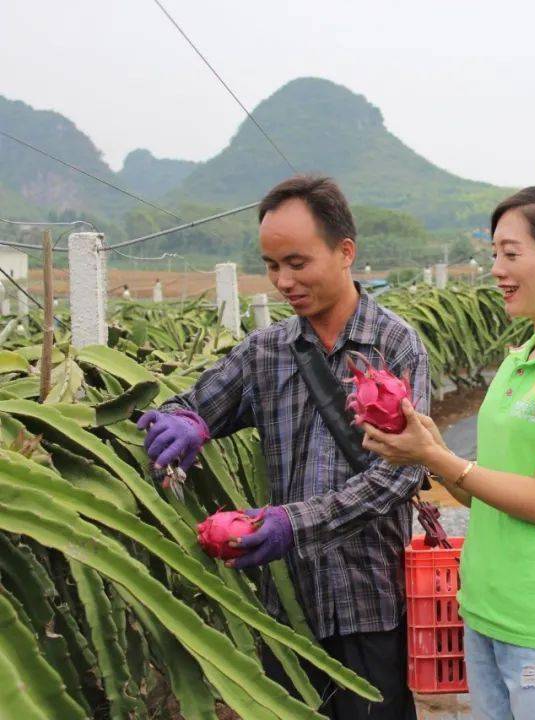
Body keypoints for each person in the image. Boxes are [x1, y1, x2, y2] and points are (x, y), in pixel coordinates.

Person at [137, 175, 427, 719]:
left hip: (371, 600)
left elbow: (402, 474)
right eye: (272, 266)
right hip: (290, 606)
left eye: (297, 263)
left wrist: (294, 523)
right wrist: (184, 422)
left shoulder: (393, 343)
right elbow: (195, 402)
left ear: (345, 252)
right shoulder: (264, 351)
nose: (283, 281)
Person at [362, 185, 535, 720]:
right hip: (486, 609)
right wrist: (426, 444)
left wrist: (439, 459)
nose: (496, 269)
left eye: (511, 254)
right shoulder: (520, 359)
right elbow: (483, 486)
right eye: (494, 254)